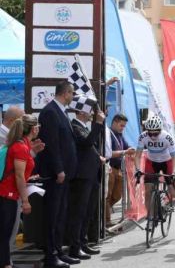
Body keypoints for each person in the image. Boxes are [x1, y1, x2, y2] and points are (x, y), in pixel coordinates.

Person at [36, 81, 78, 268]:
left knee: (61, 214)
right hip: (55, 175)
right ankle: (50, 255)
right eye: (72, 93)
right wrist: (59, 169)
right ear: (65, 93)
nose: (73, 97)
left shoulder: (62, 111)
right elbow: (51, 144)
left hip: (65, 174)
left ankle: (59, 251)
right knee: (52, 215)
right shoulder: (50, 112)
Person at [0, 115, 41, 268]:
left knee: (7, 232)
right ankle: (6, 264)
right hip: (7, 195)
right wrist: (25, 201)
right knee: (6, 232)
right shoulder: (21, 147)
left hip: (8, 193)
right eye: (38, 126)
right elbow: (18, 175)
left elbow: (19, 174)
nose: (38, 129)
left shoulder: (21, 146)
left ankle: (6, 262)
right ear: (33, 129)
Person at [67, 101, 104, 260]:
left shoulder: (83, 127)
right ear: (82, 112)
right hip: (82, 177)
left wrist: (98, 157)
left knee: (88, 211)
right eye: (90, 111)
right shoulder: (75, 126)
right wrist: (98, 123)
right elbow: (87, 142)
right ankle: (75, 246)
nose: (92, 114)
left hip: (91, 175)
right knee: (79, 213)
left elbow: (90, 146)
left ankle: (82, 242)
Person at [134, 115, 175, 224]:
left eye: (155, 133)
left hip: (167, 162)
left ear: (160, 130)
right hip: (152, 162)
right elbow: (137, 156)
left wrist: (174, 172)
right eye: (150, 133)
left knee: (173, 192)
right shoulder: (143, 137)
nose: (152, 136)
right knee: (148, 191)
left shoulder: (167, 137)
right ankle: (150, 217)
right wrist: (137, 169)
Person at [105, 114, 134, 226]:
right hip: (110, 168)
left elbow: (127, 147)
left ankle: (103, 214)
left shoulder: (120, 135)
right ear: (115, 122)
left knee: (117, 196)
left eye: (124, 126)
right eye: (121, 125)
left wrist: (132, 149)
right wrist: (125, 152)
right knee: (107, 196)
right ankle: (106, 221)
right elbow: (108, 153)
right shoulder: (108, 134)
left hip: (118, 169)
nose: (123, 128)